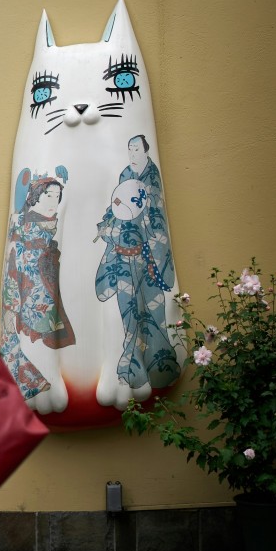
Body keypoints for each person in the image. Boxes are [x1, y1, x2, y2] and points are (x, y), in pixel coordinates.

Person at [95, 134, 180, 389]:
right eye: (129, 149)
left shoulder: (152, 180)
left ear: (145, 151)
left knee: (152, 310)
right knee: (128, 312)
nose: (132, 154)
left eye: (136, 149)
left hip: (149, 259)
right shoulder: (125, 177)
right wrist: (109, 224)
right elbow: (115, 210)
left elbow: (155, 218)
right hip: (123, 257)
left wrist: (137, 218)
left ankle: (159, 362)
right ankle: (131, 365)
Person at [0, 176, 75, 399]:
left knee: (44, 340)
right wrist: (14, 301)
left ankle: (30, 384)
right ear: (35, 197)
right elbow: (15, 262)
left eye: (57, 196)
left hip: (45, 289)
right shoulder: (23, 224)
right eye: (49, 195)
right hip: (26, 290)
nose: (54, 200)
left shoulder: (51, 223)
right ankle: (26, 384)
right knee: (24, 338)